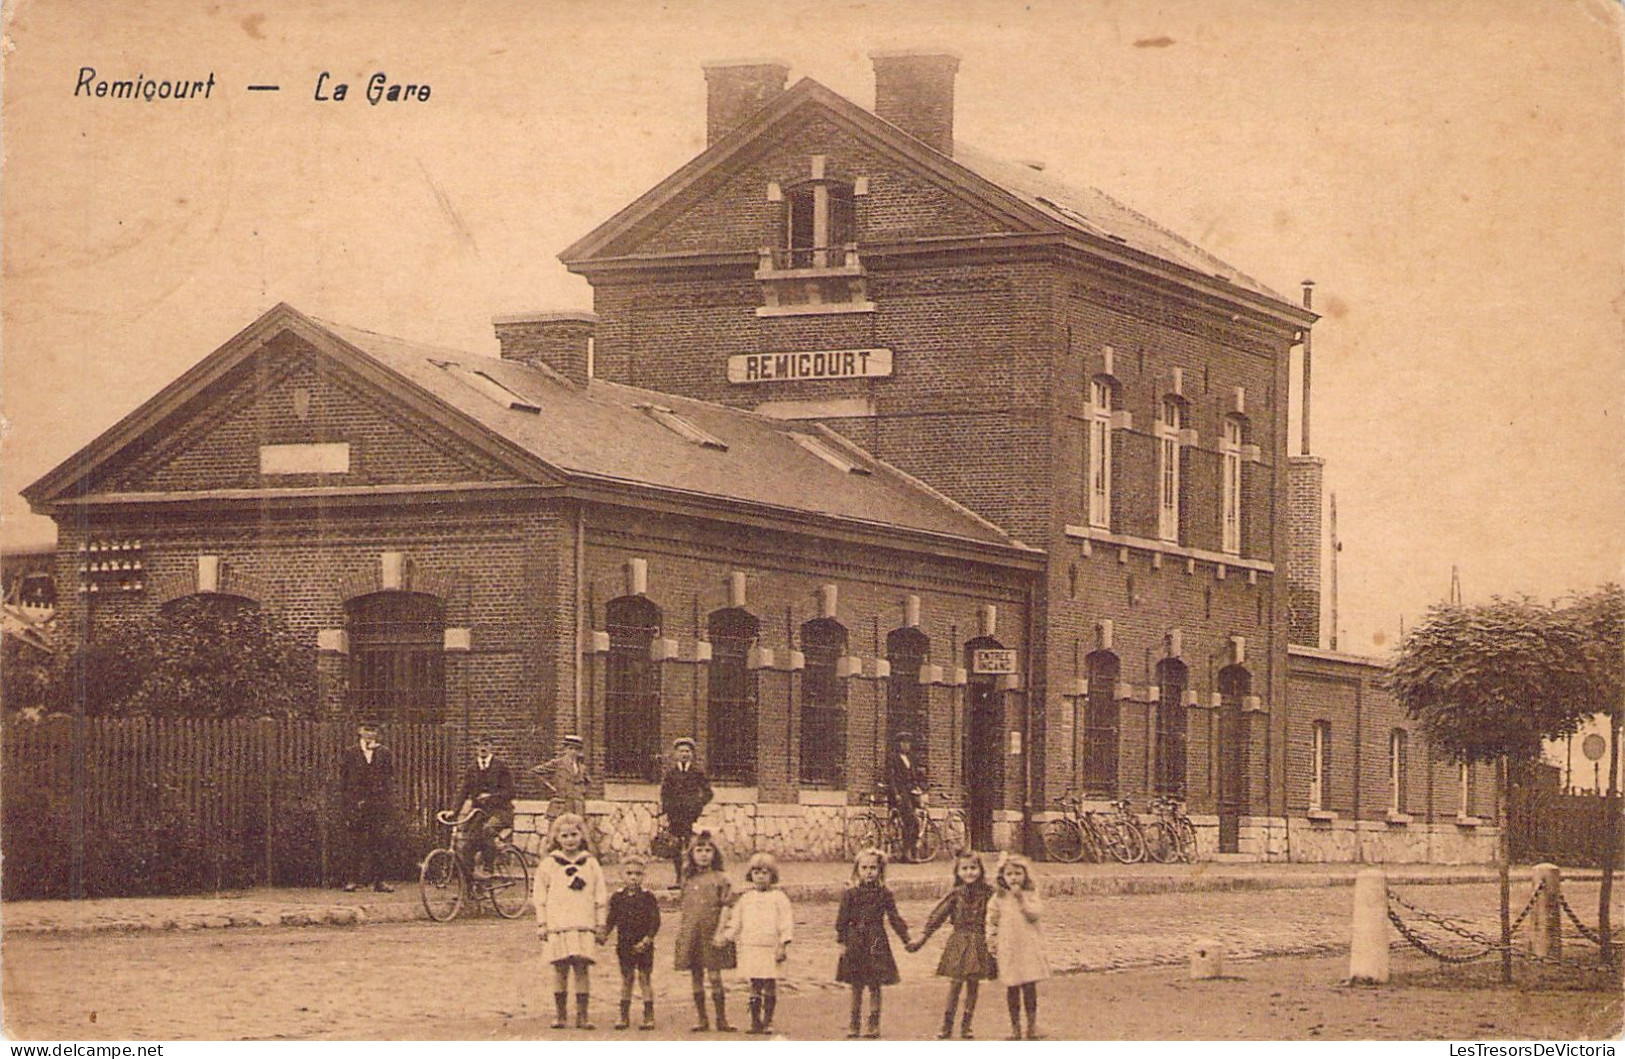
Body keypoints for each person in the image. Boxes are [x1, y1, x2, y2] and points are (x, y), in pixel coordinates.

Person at [906, 851, 997, 1039]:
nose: (969, 872)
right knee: (955, 983)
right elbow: (938, 916)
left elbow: (999, 915)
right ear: (957, 872)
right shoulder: (956, 894)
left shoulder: (989, 893)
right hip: (959, 941)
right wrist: (922, 938)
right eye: (965, 868)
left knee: (973, 984)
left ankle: (966, 1025)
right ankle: (946, 1026)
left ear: (980, 870)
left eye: (973, 868)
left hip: (980, 941)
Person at [535, 812, 608, 1030]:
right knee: (560, 968)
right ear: (556, 838)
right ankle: (560, 1015)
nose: (570, 840)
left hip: (583, 923)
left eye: (574, 834)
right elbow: (540, 896)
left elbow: (600, 895)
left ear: (582, 836)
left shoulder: (591, 864)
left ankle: (583, 1015)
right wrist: (542, 923)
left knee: (582, 968)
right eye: (564, 835)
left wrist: (600, 922)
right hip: (559, 924)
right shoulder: (549, 864)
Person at [835, 847, 912, 1039]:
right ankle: (854, 1024)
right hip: (855, 940)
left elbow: (894, 918)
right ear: (857, 870)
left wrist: (906, 939)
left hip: (876, 940)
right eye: (864, 868)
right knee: (856, 984)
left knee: (875, 983)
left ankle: (873, 1023)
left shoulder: (884, 894)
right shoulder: (850, 894)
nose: (868, 872)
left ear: (880, 871)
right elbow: (841, 920)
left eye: (873, 868)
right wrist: (842, 942)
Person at [719, 852, 794, 1035]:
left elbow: (786, 922)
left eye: (765, 872)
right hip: (751, 947)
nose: (760, 876)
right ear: (750, 874)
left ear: (772, 875)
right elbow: (736, 921)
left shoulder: (779, 898)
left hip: (771, 948)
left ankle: (767, 1020)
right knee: (754, 984)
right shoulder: (746, 898)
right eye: (756, 872)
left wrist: (783, 944)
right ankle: (754, 1021)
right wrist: (726, 936)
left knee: (769, 983)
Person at [671, 831, 736, 1032]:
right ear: (691, 854)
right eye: (699, 850)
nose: (704, 854)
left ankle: (721, 1019)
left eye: (708, 850)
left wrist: (721, 931)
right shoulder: (687, 879)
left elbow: (726, 906)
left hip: (713, 932)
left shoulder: (721, 878)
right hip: (692, 933)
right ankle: (702, 1019)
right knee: (695, 974)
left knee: (715, 976)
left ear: (715, 854)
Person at [987, 852, 1050, 1041]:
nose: (1014, 878)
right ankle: (1015, 1028)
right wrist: (991, 941)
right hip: (1009, 948)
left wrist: (1022, 899)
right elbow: (991, 920)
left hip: (1028, 947)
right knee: (1012, 987)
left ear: (1025, 875)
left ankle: (1031, 1027)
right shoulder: (998, 898)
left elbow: (1035, 914)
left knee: (1030, 987)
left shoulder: (1030, 895)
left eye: (1018, 873)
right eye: (1009, 874)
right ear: (1002, 877)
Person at [602, 856, 661, 1031]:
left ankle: (648, 1015)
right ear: (621, 875)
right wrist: (604, 934)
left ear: (644, 876)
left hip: (644, 945)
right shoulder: (617, 897)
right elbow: (611, 919)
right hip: (625, 944)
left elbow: (655, 921)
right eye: (629, 873)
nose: (633, 877)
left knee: (644, 978)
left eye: (638, 874)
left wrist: (647, 939)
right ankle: (623, 1015)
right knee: (627, 979)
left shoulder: (648, 897)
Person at [338, 721, 395, 893]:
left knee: (378, 842)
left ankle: (380, 881)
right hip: (357, 804)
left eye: (374, 730)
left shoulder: (384, 753)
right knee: (355, 842)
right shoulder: (350, 753)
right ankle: (352, 880)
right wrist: (350, 803)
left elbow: (389, 779)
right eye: (367, 730)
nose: (370, 734)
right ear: (359, 731)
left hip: (377, 804)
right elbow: (344, 780)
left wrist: (385, 801)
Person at [451, 733, 514, 876]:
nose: (483, 748)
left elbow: (510, 792)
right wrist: (453, 811)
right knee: (467, 846)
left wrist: (491, 797)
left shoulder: (501, 767)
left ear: (491, 746)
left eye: (486, 744)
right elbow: (462, 792)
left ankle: (488, 869)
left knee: (487, 831)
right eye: (479, 745)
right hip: (479, 813)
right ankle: (468, 889)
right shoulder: (471, 769)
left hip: (501, 812)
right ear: (476, 748)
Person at [659, 737, 713, 886]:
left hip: (691, 817)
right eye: (681, 751)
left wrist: (697, 805)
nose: (684, 754)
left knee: (691, 847)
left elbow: (708, 793)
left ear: (692, 754)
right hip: (674, 817)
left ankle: (692, 877)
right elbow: (664, 794)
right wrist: (666, 811)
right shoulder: (671, 774)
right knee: (675, 848)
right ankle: (679, 878)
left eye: (687, 751)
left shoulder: (697, 773)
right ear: (676, 754)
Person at [886, 731, 927, 860]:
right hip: (901, 793)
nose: (906, 745)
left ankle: (911, 851)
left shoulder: (910, 759)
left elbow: (914, 776)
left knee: (914, 822)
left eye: (908, 743)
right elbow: (891, 778)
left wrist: (918, 787)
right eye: (904, 742)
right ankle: (907, 852)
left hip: (910, 793)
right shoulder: (893, 758)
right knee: (911, 820)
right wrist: (896, 794)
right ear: (899, 744)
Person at [532, 734, 589, 818]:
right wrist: (552, 788)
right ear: (565, 749)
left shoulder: (582, 767)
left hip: (577, 806)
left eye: (576, 749)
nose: (573, 752)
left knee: (576, 829)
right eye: (570, 748)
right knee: (558, 829)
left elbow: (588, 782)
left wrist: (581, 791)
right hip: (561, 804)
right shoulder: (558, 763)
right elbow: (535, 772)